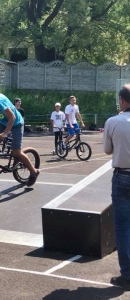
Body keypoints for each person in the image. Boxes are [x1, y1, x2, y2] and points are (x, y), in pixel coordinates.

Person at [103, 84, 130, 290]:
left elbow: (107, 150)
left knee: (123, 227)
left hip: (122, 177)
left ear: (122, 100)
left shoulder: (113, 121)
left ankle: (127, 275)